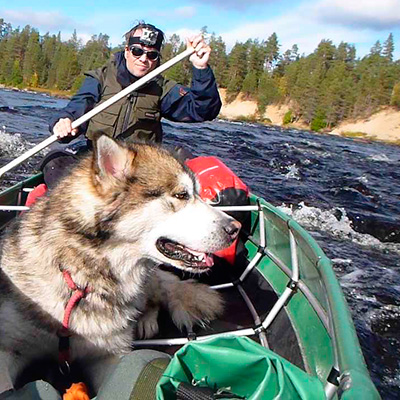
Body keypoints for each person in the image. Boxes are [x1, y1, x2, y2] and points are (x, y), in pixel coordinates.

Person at [49, 21, 222, 145]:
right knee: (54, 164)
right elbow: (77, 108)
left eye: (151, 55)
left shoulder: (163, 89)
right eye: (137, 51)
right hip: (97, 159)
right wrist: (64, 121)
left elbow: (204, 110)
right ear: (126, 51)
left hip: (138, 168)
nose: (143, 59)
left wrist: (201, 68)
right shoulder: (99, 78)